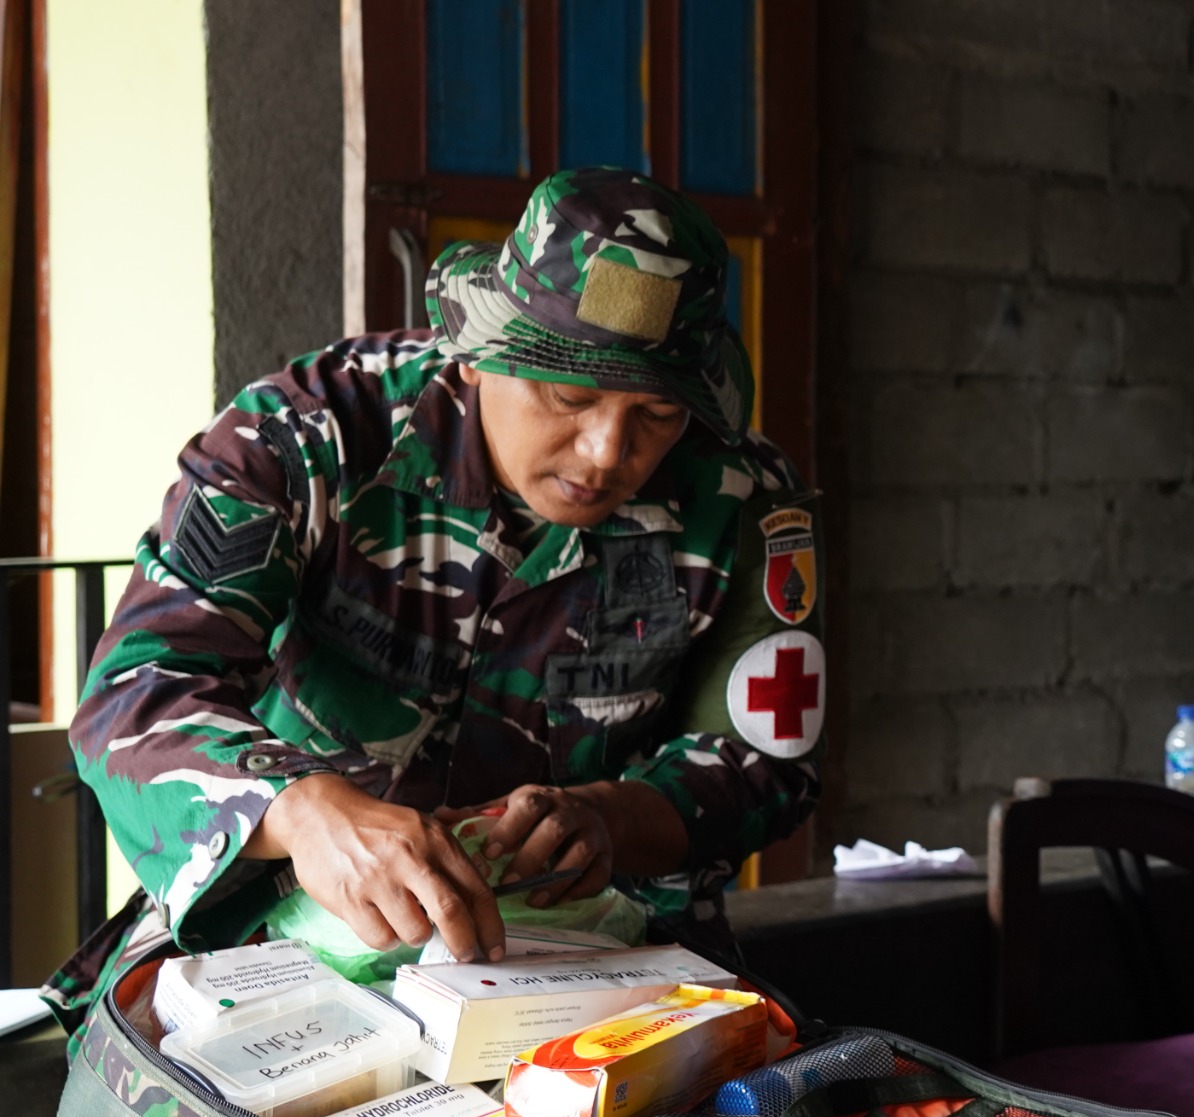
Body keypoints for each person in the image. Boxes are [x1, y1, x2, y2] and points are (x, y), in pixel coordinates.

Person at [44, 167, 824, 1023]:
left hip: (600, 971)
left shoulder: (737, 496)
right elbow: (135, 692)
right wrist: (303, 814)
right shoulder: (309, 439)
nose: (607, 451)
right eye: (570, 395)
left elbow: (764, 762)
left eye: (657, 415)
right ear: (487, 351)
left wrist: (613, 818)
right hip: (289, 949)